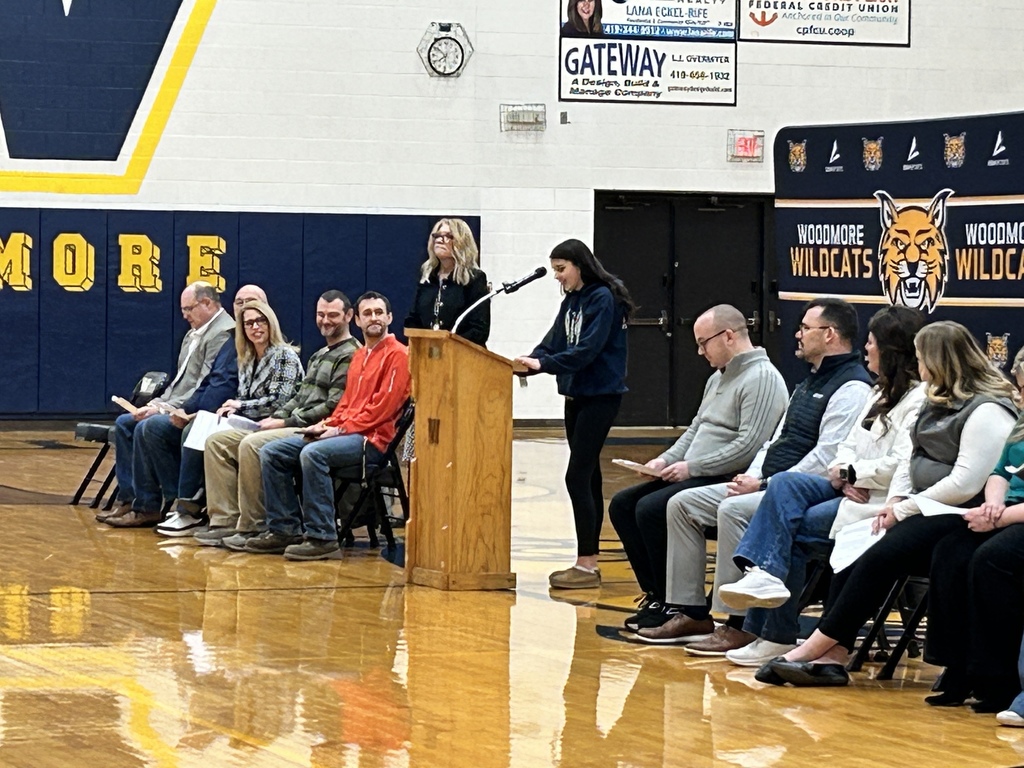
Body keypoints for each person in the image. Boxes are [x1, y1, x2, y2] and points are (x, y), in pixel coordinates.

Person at [759, 321, 1018, 687]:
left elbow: (964, 483)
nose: (918, 366)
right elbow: (908, 461)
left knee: (879, 549)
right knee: (859, 537)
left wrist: (904, 508)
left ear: (939, 361)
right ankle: (832, 655)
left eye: (922, 358)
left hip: (963, 511)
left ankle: (817, 645)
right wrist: (897, 499)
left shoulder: (988, 410)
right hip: (922, 506)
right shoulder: (934, 397)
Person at [634, 298, 873, 653]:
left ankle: (738, 622)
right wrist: (752, 474)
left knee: (732, 510)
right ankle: (689, 610)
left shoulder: (852, 387)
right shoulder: (808, 381)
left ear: (830, 334)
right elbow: (774, 441)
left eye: (806, 328)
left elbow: (827, 456)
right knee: (681, 504)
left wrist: (763, 484)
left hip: (804, 489)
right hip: (765, 480)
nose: (798, 334)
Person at [716, 306, 927, 667]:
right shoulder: (878, 393)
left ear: (891, 350)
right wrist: (845, 472)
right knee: (784, 483)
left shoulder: (917, 399)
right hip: (848, 484)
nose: (866, 348)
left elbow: (901, 465)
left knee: (793, 531)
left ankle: (773, 633)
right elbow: (843, 447)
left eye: (872, 342)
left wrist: (853, 474)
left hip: (874, 499)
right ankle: (763, 577)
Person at [608, 304, 788, 624]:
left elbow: (749, 447)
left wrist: (692, 468)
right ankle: (658, 595)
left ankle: (681, 604)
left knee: (651, 509)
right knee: (623, 504)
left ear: (729, 336)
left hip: (726, 476)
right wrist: (665, 460)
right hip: (698, 471)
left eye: (704, 342)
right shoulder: (718, 377)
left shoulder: (762, 378)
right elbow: (695, 429)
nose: (700, 351)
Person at [111, 299, 304, 530]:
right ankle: (185, 505)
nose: (255, 327)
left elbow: (278, 402)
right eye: (249, 323)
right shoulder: (248, 357)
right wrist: (229, 407)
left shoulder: (283, 355)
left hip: (271, 424)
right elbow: (226, 391)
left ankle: (193, 509)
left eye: (260, 321)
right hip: (245, 420)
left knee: (200, 431)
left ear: (271, 323)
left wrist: (239, 407)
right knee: (195, 426)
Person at [246, 292, 411, 561]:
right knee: (273, 452)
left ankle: (322, 536)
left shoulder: (399, 356)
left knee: (313, 453)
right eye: (367, 313)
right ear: (357, 319)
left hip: (374, 441)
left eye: (379, 312)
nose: (374, 318)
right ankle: (284, 529)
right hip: (347, 433)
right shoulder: (359, 357)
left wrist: (339, 430)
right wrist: (327, 424)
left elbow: (382, 410)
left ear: (389, 317)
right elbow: (346, 404)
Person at [194, 291, 361, 548]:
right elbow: (298, 398)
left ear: (349, 316)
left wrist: (284, 421)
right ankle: (225, 521)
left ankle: (256, 525)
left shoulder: (350, 355)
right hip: (289, 421)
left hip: (318, 430)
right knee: (216, 441)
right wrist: (277, 418)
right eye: (321, 314)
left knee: (252, 444)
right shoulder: (318, 354)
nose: (325, 320)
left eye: (333, 315)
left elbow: (332, 406)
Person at [514, 239, 634, 590]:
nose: (558, 277)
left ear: (580, 265)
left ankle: (586, 565)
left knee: (576, 476)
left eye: (561, 269)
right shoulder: (572, 301)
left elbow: (587, 350)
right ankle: (588, 563)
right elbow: (554, 341)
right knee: (588, 476)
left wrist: (544, 365)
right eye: (554, 270)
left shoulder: (602, 298)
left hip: (601, 396)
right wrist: (530, 360)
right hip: (576, 394)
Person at [103, 281, 237, 522]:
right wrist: (156, 404)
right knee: (126, 423)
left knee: (150, 427)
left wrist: (166, 409)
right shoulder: (192, 334)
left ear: (207, 303)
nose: (184, 315)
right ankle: (133, 499)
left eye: (188, 309)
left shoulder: (222, 333)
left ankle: (172, 501)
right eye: (183, 310)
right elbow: (179, 383)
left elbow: (203, 386)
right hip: (177, 403)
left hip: (199, 409)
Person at [919, 419, 1024, 712]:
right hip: (1006, 510)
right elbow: (999, 472)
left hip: (1019, 516)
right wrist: (993, 505)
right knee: (950, 553)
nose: (1019, 395)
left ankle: (999, 679)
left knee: (992, 559)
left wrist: (999, 518)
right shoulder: (1021, 425)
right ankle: (957, 666)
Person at [404, 218, 490, 346]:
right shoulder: (427, 277)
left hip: (462, 356)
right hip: (427, 355)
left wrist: (446, 344)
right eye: (437, 236)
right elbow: (413, 319)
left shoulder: (474, 278)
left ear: (462, 242)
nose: (439, 240)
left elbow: (479, 329)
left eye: (447, 236)